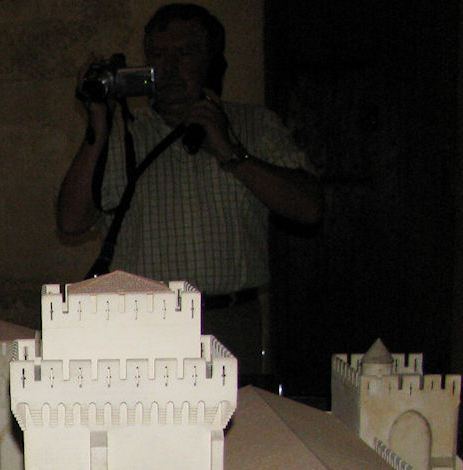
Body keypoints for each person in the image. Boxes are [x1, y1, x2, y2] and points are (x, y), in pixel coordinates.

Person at [54, 4, 322, 375]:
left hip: (228, 321)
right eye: (158, 54)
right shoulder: (122, 136)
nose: (169, 67)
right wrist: (98, 123)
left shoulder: (255, 126)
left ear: (211, 60)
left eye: (185, 53)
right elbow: (70, 222)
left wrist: (232, 153)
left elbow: (308, 208)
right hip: (142, 326)